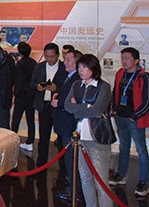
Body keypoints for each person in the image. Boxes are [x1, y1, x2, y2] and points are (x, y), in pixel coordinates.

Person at [64, 54, 113, 207]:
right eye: (79, 67)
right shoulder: (76, 85)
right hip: (79, 138)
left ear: (94, 68)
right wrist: (87, 106)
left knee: (101, 181)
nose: (81, 70)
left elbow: (98, 109)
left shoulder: (103, 87)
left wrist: (78, 108)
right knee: (85, 178)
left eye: (84, 67)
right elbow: (67, 106)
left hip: (97, 138)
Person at [109, 47, 149, 197]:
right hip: (120, 117)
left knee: (141, 150)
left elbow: (148, 101)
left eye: (127, 58)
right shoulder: (120, 73)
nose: (124, 61)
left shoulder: (143, 76)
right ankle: (121, 175)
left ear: (136, 60)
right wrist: (114, 109)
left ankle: (143, 182)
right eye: (122, 58)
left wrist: (135, 116)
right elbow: (115, 92)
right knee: (124, 147)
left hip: (134, 119)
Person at [51, 49, 83, 201]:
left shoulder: (77, 79)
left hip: (69, 125)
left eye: (69, 60)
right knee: (68, 159)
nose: (65, 62)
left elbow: (73, 102)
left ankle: (74, 191)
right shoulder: (69, 77)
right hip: (63, 124)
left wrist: (59, 102)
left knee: (72, 160)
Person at [30, 42, 67, 167]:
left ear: (58, 55)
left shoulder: (64, 68)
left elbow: (68, 88)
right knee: (43, 137)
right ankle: (41, 164)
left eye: (52, 56)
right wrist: (37, 87)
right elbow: (32, 83)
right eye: (46, 56)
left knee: (61, 138)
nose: (49, 59)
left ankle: (63, 167)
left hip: (59, 107)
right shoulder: (39, 67)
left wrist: (57, 89)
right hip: (44, 105)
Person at [11, 41, 37, 151]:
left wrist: (15, 92)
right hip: (31, 95)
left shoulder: (20, 63)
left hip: (21, 95)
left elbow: (19, 80)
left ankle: (13, 140)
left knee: (16, 118)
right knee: (30, 119)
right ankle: (30, 142)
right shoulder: (34, 62)